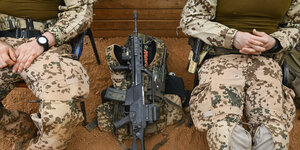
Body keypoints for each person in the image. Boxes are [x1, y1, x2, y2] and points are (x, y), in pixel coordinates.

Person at [180, 0, 299, 149]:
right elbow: (190, 20)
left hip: (266, 61)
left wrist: (275, 41)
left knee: (275, 137)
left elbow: (296, 26)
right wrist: (232, 37)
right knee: (224, 134)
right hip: (220, 58)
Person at [0, 0, 94, 149]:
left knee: (61, 115)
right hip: (2, 45)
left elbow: (81, 11)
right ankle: (23, 128)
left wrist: (42, 42)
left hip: (49, 44)